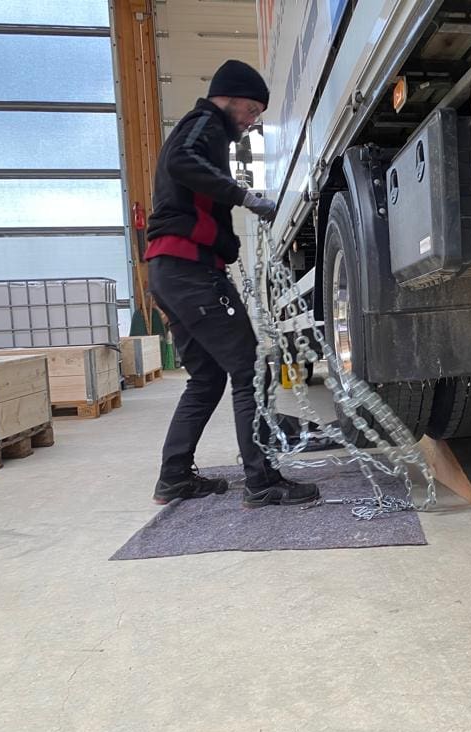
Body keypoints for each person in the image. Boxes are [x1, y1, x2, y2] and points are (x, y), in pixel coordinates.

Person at [145, 59, 320, 508]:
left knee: (206, 378)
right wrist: (243, 196)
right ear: (230, 98)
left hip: (169, 270)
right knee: (252, 371)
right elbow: (182, 161)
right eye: (251, 110)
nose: (252, 121)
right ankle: (262, 481)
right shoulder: (205, 123)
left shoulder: (205, 130)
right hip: (191, 269)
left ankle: (174, 478)